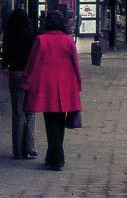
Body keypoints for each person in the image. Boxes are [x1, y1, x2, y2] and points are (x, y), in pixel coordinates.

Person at [23, 10, 82, 172]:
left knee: (50, 124)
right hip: (66, 87)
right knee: (61, 123)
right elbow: (75, 64)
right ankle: (55, 157)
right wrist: (78, 83)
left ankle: (55, 157)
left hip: (47, 88)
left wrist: (27, 81)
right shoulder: (68, 41)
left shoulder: (41, 40)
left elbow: (32, 63)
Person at [3, 9, 37, 160]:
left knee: (17, 112)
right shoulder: (31, 36)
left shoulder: (9, 35)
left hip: (15, 73)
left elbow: (6, 57)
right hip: (30, 74)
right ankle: (30, 146)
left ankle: (17, 150)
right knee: (30, 111)